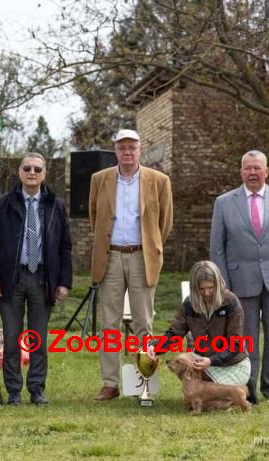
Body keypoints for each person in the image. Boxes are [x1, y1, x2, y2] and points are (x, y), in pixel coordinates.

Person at [210, 150, 269, 402]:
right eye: (247, 168)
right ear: (241, 172)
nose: (252, 173)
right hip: (240, 284)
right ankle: (246, 389)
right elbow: (217, 248)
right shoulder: (224, 202)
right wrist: (223, 286)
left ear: (266, 171)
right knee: (245, 340)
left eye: (257, 168)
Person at [89, 129, 173, 401]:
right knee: (109, 324)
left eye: (132, 147)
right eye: (122, 147)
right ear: (115, 150)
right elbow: (94, 216)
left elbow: (165, 222)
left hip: (142, 256)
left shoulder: (159, 180)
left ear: (140, 150)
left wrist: (152, 246)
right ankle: (110, 383)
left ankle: (143, 383)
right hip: (110, 256)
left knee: (143, 323)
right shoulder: (99, 179)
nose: (127, 152)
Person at [0, 153, 72, 405]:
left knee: (38, 339)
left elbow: (65, 246)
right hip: (11, 279)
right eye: (26, 168)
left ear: (44, 173)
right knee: (11, 339)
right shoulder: (3, 204)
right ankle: (13, 391)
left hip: (43, 279)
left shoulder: (55, 204)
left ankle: (36, 389)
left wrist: (63, 282)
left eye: (37, 169)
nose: (31, 173)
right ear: (19, 172)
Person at [148, 261, 250, 387]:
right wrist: (155, 348)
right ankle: (217, 392)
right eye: (202, 289)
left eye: (210, 288)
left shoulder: (231, 302)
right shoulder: (189, 304)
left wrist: (212, 360)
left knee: (210, 399)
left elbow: (236, 344)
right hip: (202, 360)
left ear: (217, 285)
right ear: (195, 288)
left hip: (232, 364)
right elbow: (174, 335)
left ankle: (235, 389)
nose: (206, 293)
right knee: (183, 361)